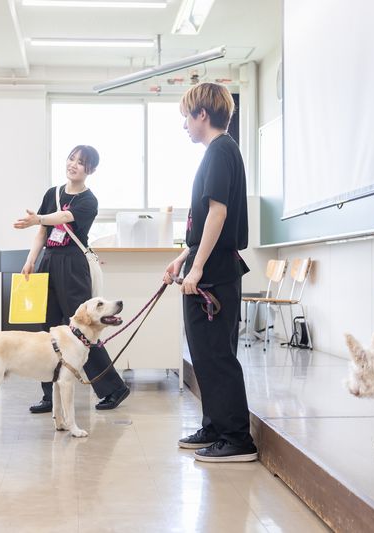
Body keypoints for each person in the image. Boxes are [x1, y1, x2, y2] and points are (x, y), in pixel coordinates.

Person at [164, 82, 258, 463]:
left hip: (215, 270)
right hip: (207, 266)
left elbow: (218, 213)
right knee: (204, 353)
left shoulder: (220, 151)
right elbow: (204, 218)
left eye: (187, 116)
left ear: (202, 114)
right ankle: (216, 425)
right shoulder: (217, 153)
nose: (184, 124)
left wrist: (198, 266)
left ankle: (237, 438)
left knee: (217, 354)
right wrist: (184, 256)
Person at [13, 145, 130, 413]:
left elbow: (64, 217)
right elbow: (43, 231)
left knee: (83, 327)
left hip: (73, 264)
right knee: (49, 330)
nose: (73, 164)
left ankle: (113, 388)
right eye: (71, 159)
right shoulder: (52, 193)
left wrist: (38, 218)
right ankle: (48, 395)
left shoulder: (88, 200)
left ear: (91, 170)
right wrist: (31, 260)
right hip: (49, 261)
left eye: (81, 162)